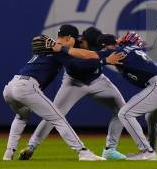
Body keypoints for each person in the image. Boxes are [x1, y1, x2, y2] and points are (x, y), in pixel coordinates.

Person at [51, 32, 157, 161]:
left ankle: (147, 151)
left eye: (103, 48)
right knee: (152, 118)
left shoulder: (117, 51)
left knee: (124, 113)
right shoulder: (130, 49)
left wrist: (61, 48)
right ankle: (151, 150)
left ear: (106, 46)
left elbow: (89, 55)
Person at [19, 27, 127, 161]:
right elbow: (77, 65)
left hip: (98, 80)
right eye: (93, 45)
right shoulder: (68, 45)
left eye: (98, 45)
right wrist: (104, 60)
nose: (96, 47)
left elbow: (113, 46)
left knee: (122, 109)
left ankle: (110, 149)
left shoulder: (98, 40)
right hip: (73, 83)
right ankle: (31, 146)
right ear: (82, 40)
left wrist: (122, 43)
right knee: (53, 114)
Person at [1, 26, 105, 161]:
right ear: (69, 38)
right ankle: (83, 152)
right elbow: (78, 65)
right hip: (26, 86)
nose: (76, 41)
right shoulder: (59, 50)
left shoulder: (47, 46)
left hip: (11, 86)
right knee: (58, 119)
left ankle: (8, 154)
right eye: (75, 39)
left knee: (21, 116)